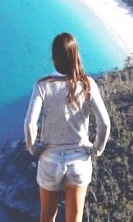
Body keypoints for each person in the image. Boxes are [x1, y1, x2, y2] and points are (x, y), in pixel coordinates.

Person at [24, 32, 111, 222]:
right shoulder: (88, 84)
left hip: (50, 160)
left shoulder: (42, 85)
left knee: (47, 217)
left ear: (54, 59)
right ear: (75, 56)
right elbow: (104, 123)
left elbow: (30, 124)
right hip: (79, 161)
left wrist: (34, 148)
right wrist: (95, 149)